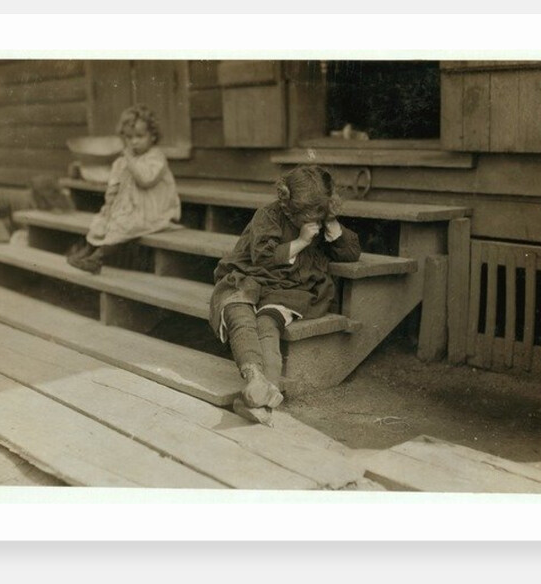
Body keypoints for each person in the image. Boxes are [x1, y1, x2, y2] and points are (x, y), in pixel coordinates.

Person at [209, 165, 362, 425]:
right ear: (289, 205)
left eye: (320, 210)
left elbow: (351, 253)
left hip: (291, 288)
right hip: (253, 275)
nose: (315, 217)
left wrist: (333, 224)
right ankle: (255, 377)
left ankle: (264, 392)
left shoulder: (320, 218)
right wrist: (302, 241)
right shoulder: (268, 215)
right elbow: (264, 257)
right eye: (309, 213)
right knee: (238, 309)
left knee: (267, 324)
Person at [67, 104, 181, 273]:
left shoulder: (156, 158)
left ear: (153, 136)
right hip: (130, 206)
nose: (133, 141)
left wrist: (129, 160)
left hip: (152, 209)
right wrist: (109, 204)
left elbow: (145, 180)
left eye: (139, 136)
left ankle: (98, 258)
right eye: (129, 137)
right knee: (102, 220)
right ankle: (88, 251)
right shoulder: (123, 161)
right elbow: (114, 185)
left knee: (123, 224)